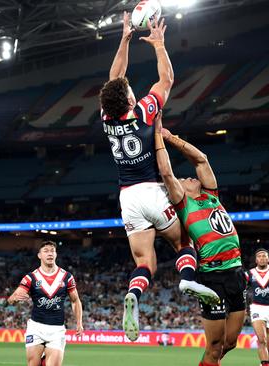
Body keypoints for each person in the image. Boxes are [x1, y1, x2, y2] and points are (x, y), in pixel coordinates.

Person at [98, 13, 218, 341]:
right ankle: (189, 278)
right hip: (153, 189)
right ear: (130, 99)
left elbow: (114, 80)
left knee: (145, 261)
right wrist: (160, 46)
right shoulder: (144, 110)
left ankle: (134, 296)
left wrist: (124, 38)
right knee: (182, 241)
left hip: (127, 198)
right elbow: (166, 79)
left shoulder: (107, 119)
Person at [154, 113, 245, 366]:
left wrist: (171, 137)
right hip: (212, 277)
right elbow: (167, 173)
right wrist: (157, 138)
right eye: (187, 179)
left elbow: (201, 159)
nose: (191, 177)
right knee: (214, 348)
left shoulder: (212, 195)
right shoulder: (184, 204)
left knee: (230, 343)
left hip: (236, 271)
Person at [7, 241, 83, 366]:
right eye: (46, 251)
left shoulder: (67, 277)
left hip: (57, 330)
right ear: (39, 255)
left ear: (56, 254)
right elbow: (11, 299)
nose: (49, 253)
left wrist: (79, 322)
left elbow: (75, 300)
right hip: (36, 328)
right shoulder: (30, 278)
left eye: (52, 250)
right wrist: (15, 299)